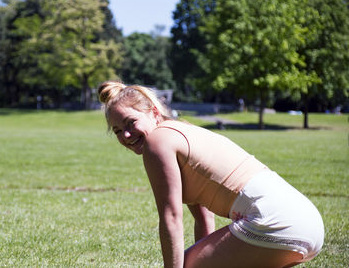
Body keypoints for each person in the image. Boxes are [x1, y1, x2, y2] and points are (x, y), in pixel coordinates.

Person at [98, 81, 324, 268]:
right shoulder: (183, 131)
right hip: (307, 222)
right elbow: (204, 220)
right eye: (117, 131)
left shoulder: (157, 142)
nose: (126, 135)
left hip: (274, 220)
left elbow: (171, 219)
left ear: (154, 114)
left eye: (131, 122)